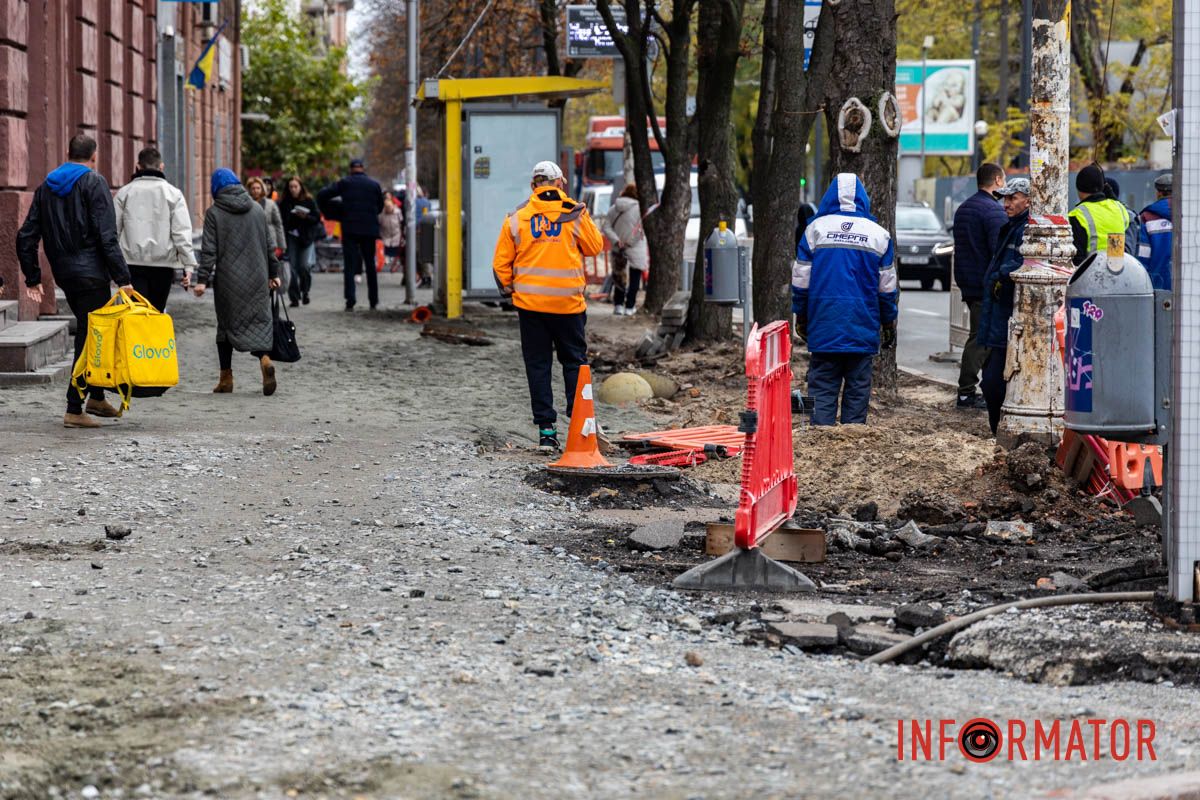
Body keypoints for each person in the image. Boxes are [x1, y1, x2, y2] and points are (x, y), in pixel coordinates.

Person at [16, 133, 134, 428]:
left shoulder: (46, 187)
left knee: (94, 331)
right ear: (93, 156)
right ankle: (74, 406)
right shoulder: (94, 183)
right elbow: (107, 237)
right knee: (90, 337)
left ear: (68, 153)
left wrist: (33, 277)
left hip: (65, 274)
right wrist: (123, 278)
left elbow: (25, 236)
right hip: (92, 273)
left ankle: (95, 397)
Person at [492, 160, 604, 450]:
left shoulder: (517, 218)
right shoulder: (574, 213)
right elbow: (595, 247)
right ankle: (580, 426)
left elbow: (500, 265)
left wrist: (510, 292)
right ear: (559, 184)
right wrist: (578, 210)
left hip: (531, 308)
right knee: (575, 364)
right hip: (568, 306)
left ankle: (546, 433)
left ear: (533, 186)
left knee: (538, 366)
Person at [791, 173, 898, 426]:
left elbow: (801, 280)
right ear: (863, 199)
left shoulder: (814, 231)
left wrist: (802, 315)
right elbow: (887, 288)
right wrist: (888, 323)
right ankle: (853, 433)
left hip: (824, 322)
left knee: (822, 383)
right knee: (858, 387)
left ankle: (821, 434)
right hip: (862, 324)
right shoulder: (878, 235)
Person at [193, 169, 282, 396]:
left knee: (225, 329)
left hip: (228, 281)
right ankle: (264, 360)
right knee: (260, 324)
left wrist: (202, 279)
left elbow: (209, 250)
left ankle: (226, 379)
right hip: (258, 277)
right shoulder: (256, 209)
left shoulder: (214, 213)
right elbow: (269, 246)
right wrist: (274, 273)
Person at [949, 163, 1008, 411]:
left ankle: (979, 389)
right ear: (997, 180)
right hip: (986, 285)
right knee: (981, 339)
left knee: (981, 337)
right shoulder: (993, 212)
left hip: (969, 281)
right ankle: (967, 392)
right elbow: (999, 250)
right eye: (1004, 180)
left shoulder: (964, 208)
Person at [977, 178, 1032, 435]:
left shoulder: (1026, 230)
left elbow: (1023, 264)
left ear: (1029, 200)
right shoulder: (1011, 227)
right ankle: (998, 431)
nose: (1006, 204)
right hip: (1002, 318)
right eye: (1005, 199)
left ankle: (1001, 432)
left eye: (1013, 198)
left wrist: (1001, 276)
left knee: (993, 382)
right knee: (992, 380)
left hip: (1012, 319)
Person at [114, 146, 197, 312]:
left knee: (135, 316)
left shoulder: (124, 193)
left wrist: (112, 266)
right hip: (163, 265)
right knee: (156, 313)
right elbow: (181, 233)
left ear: (138, 166)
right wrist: (188, 265)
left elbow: (113, 232)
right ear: (162, 167)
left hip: (131, 265)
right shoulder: (174, 194)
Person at [317, 158, 384, 310]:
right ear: (363, 168)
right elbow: (379, 207)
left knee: (350, 265)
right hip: (369, 229)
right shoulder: (374, 185)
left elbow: (322, 195)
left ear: (351, 169)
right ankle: (373, 300)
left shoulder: (344, 183)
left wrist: (333, 212)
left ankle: (350, 300)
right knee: (370, 265)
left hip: (350, 228)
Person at [1069, 164, 1138, 265]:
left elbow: (1077, 258)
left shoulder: (1077, 215)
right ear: (1103, 187)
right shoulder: (1120, 209)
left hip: (1090, 276)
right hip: (1116, 273)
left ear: (1078, 188)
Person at [601, 184, 648, 315]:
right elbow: (641, 230)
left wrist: (617, 241)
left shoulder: (613, 209)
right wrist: (629, 242)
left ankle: (618, 305)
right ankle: (630, 306)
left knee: (619, 276)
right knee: (635, 278)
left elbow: (606, 227)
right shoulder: (640, 209)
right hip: (636, 248)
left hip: (618, 248)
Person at [280, 176, 322, 307]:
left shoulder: (309, 201)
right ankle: (294, 297)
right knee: (291, 268)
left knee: (304, 266)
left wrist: (305, 217)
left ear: (300, 187)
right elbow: (282, 221)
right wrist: (292, 217)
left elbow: (316, 218)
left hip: (306, 238)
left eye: (295, 186)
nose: (293, 189)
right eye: (291, 187)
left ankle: (305, 291)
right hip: (291, 237)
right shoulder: (285, 202)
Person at [247, 176, 288, 298]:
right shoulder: (246, 204)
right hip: (253, 244)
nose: (255, 190)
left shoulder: (271, 204)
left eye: (258, 188)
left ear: (262, 189)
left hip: (271, 243)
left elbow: (278, 224)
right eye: (253, 188)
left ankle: (272, 305)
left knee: (272, 274)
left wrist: (281, 246)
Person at [1138, 173, 1173, 291]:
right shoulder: (1192, 215)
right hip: (1189, 286)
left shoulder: (1146, 217)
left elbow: (1143, 256)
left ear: (1158, 193)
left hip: (1158, 287)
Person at [379, 192, 404, 273]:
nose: (388, 208)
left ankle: (395, 261)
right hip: (385, 234)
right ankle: (387, 259)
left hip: (396, 234)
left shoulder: (397, 212)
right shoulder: (381, 213)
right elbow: (379, 223)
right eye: (386, 207)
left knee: (396, 249)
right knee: (386, 247)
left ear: (393, 206)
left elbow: (401, 221)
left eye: (389, 206)